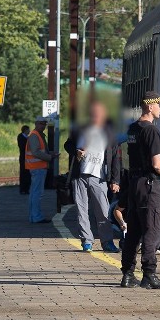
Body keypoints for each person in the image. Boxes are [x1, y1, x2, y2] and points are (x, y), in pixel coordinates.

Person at [120, 90, 160, 290]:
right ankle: (149, 274)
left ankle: (127, 274)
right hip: (149, 185)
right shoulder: (151, 130)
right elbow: (156, 164)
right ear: (150, 106)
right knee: (152, 229)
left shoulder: (133, 129)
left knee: (133, 229)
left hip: (134, 184)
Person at [65, 101, 122, 252]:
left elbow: (116, 158)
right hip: (80, 176)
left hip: (100, 177)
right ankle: (86, 241)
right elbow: (67, 145)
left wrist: (115, 180)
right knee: (81, 211)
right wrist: (76, 151)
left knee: (103, 211)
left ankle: (107, 242)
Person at [26, 116, 58, 223]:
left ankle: (33, 216)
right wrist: (49, 157)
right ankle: (36, 217)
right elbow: (36, 152)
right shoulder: (35, 135)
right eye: (41, 123)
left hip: (38, 167)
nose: (43, 126)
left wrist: (50, 154)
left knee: (34, 193)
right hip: (37, 168)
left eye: (44, 124)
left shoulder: (38, 135)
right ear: (36, 124)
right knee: (37, 193)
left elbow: (40, 150)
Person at [17, 125, 31, 194]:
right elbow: (22, 147)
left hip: (28, 158)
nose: (29, 131)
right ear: (25, 130)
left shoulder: (28, 137)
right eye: (28, 130)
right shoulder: (21, 137)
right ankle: (22, 189)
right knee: (23, 173)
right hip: (23, 158)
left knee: (28, 173)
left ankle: (27, 189)